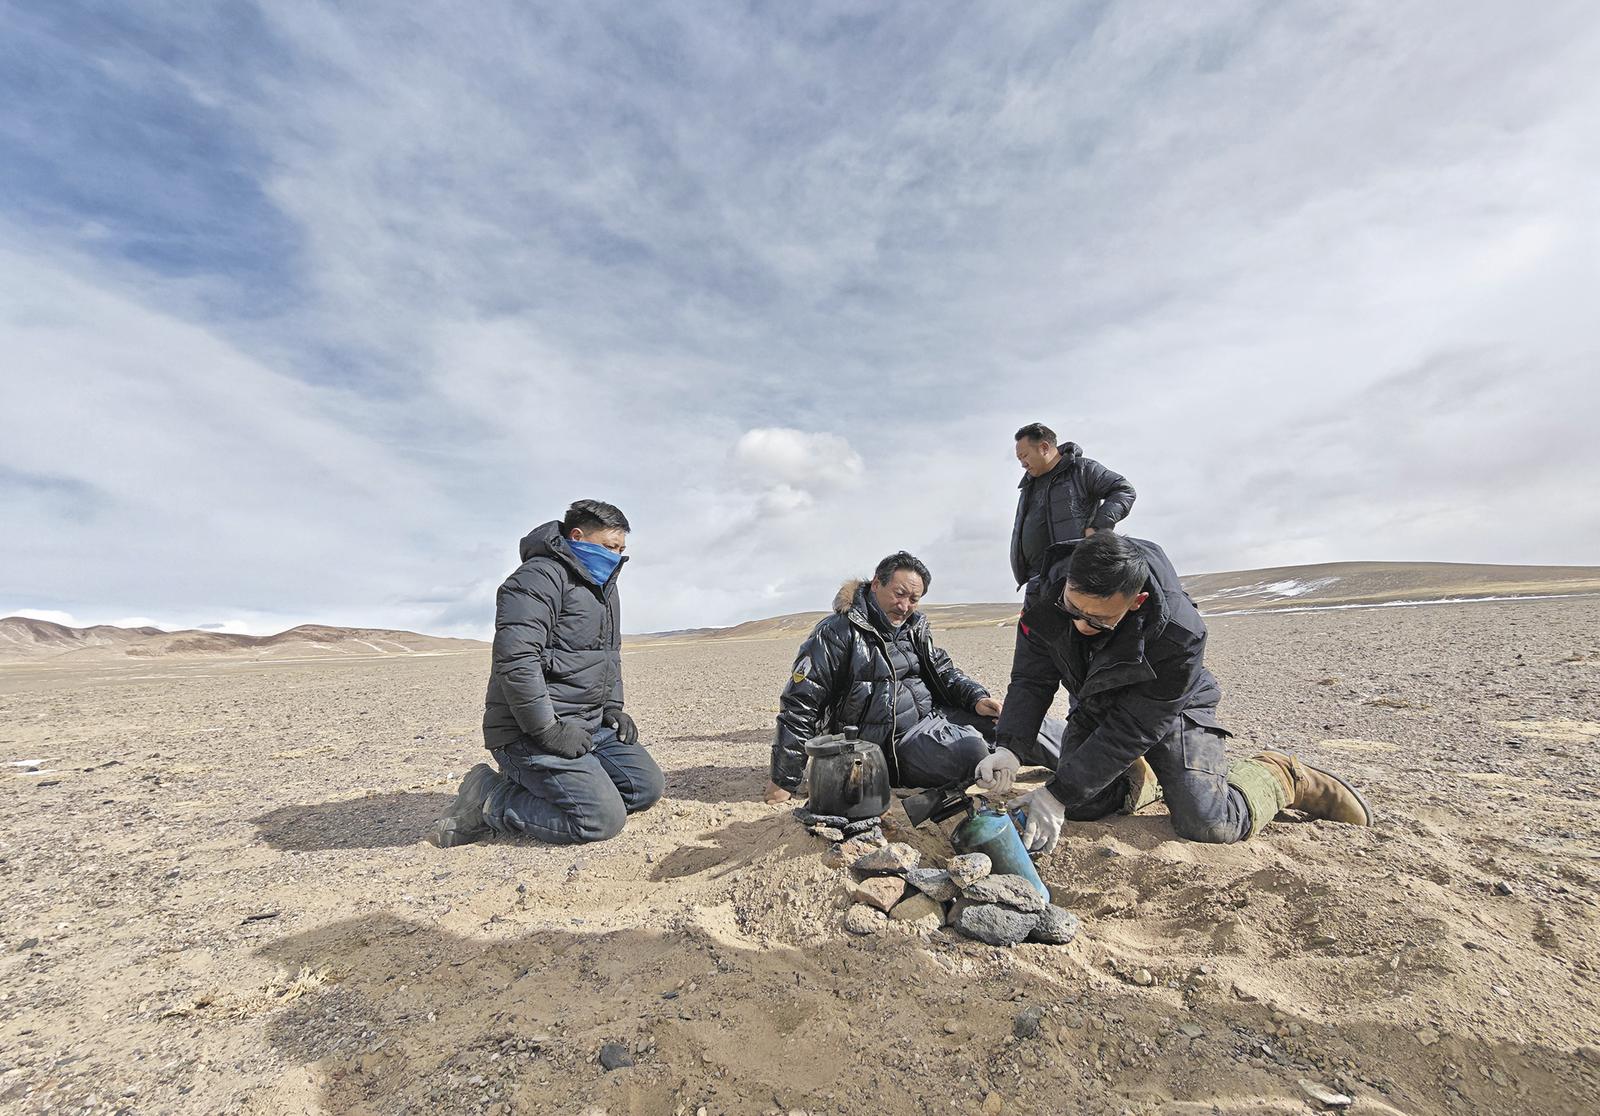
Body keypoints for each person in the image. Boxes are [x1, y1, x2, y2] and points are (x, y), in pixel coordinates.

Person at [984, 531, 1372, 852]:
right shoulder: (1044, 594)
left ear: (1136, 602)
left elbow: (1136, 726)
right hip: (1097, 696)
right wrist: (1010, 747)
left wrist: (1057, 794)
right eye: (1073, 610)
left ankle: (1280, 775)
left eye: (1099, 620)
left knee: (1209, 823)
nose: (1081, 626)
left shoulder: (1180, 632)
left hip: (1171, 708)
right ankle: (1144, 775)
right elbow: (1032, 678)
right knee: (1082, 803)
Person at [428, 499, 664, 847]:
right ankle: (490, 797)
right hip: (531, 731)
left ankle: (564, 784)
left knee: (644, 788)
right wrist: (549, 731)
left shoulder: (604, 589)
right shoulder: (537, 579)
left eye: (621, 549)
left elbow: (608, 656)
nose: (616, 556)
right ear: (577, 536)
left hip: (587, 726)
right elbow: (517, 660)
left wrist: (613, 708)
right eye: (609, 546)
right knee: (599, 820)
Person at [765, 551, 1065, 806]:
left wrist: (977, 698)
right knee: (970, 750)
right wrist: (783, 779)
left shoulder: (913, 627)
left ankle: (1083, 773)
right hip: (891, 746)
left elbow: (943, 671)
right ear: (876, 583)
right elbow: (800, 704)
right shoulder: (835, 633)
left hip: (936, 716)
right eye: (899, 594)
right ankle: (992, 753)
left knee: (1017, 722)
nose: (905, 606)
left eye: (914, 599)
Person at [1011, 422, 1136, 601]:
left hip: (1073, 573)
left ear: (1044, 447)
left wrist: (1098, 527)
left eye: (1024, 456)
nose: (1023, 464)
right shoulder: (1028, 485)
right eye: (1019, 459)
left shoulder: (1082, 470)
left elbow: (1124, 491)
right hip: (1037, 578)